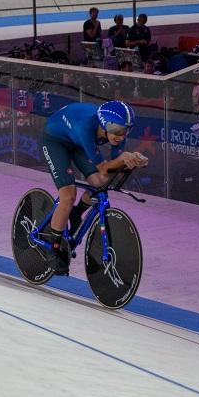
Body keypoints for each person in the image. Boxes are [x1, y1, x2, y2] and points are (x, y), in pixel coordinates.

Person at [38, 101, 148, 274]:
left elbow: (109, 170)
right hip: (55, 141)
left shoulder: (116, 131)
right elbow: (106, 166)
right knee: (68, 195)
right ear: (105, 124)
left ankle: (77, 212)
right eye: (118, 131)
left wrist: (132, 160)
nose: (121, 137)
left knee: (100, 182)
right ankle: (53, 248)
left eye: (126, 131)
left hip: (77, 142)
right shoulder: (85, 127)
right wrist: (123, 159)